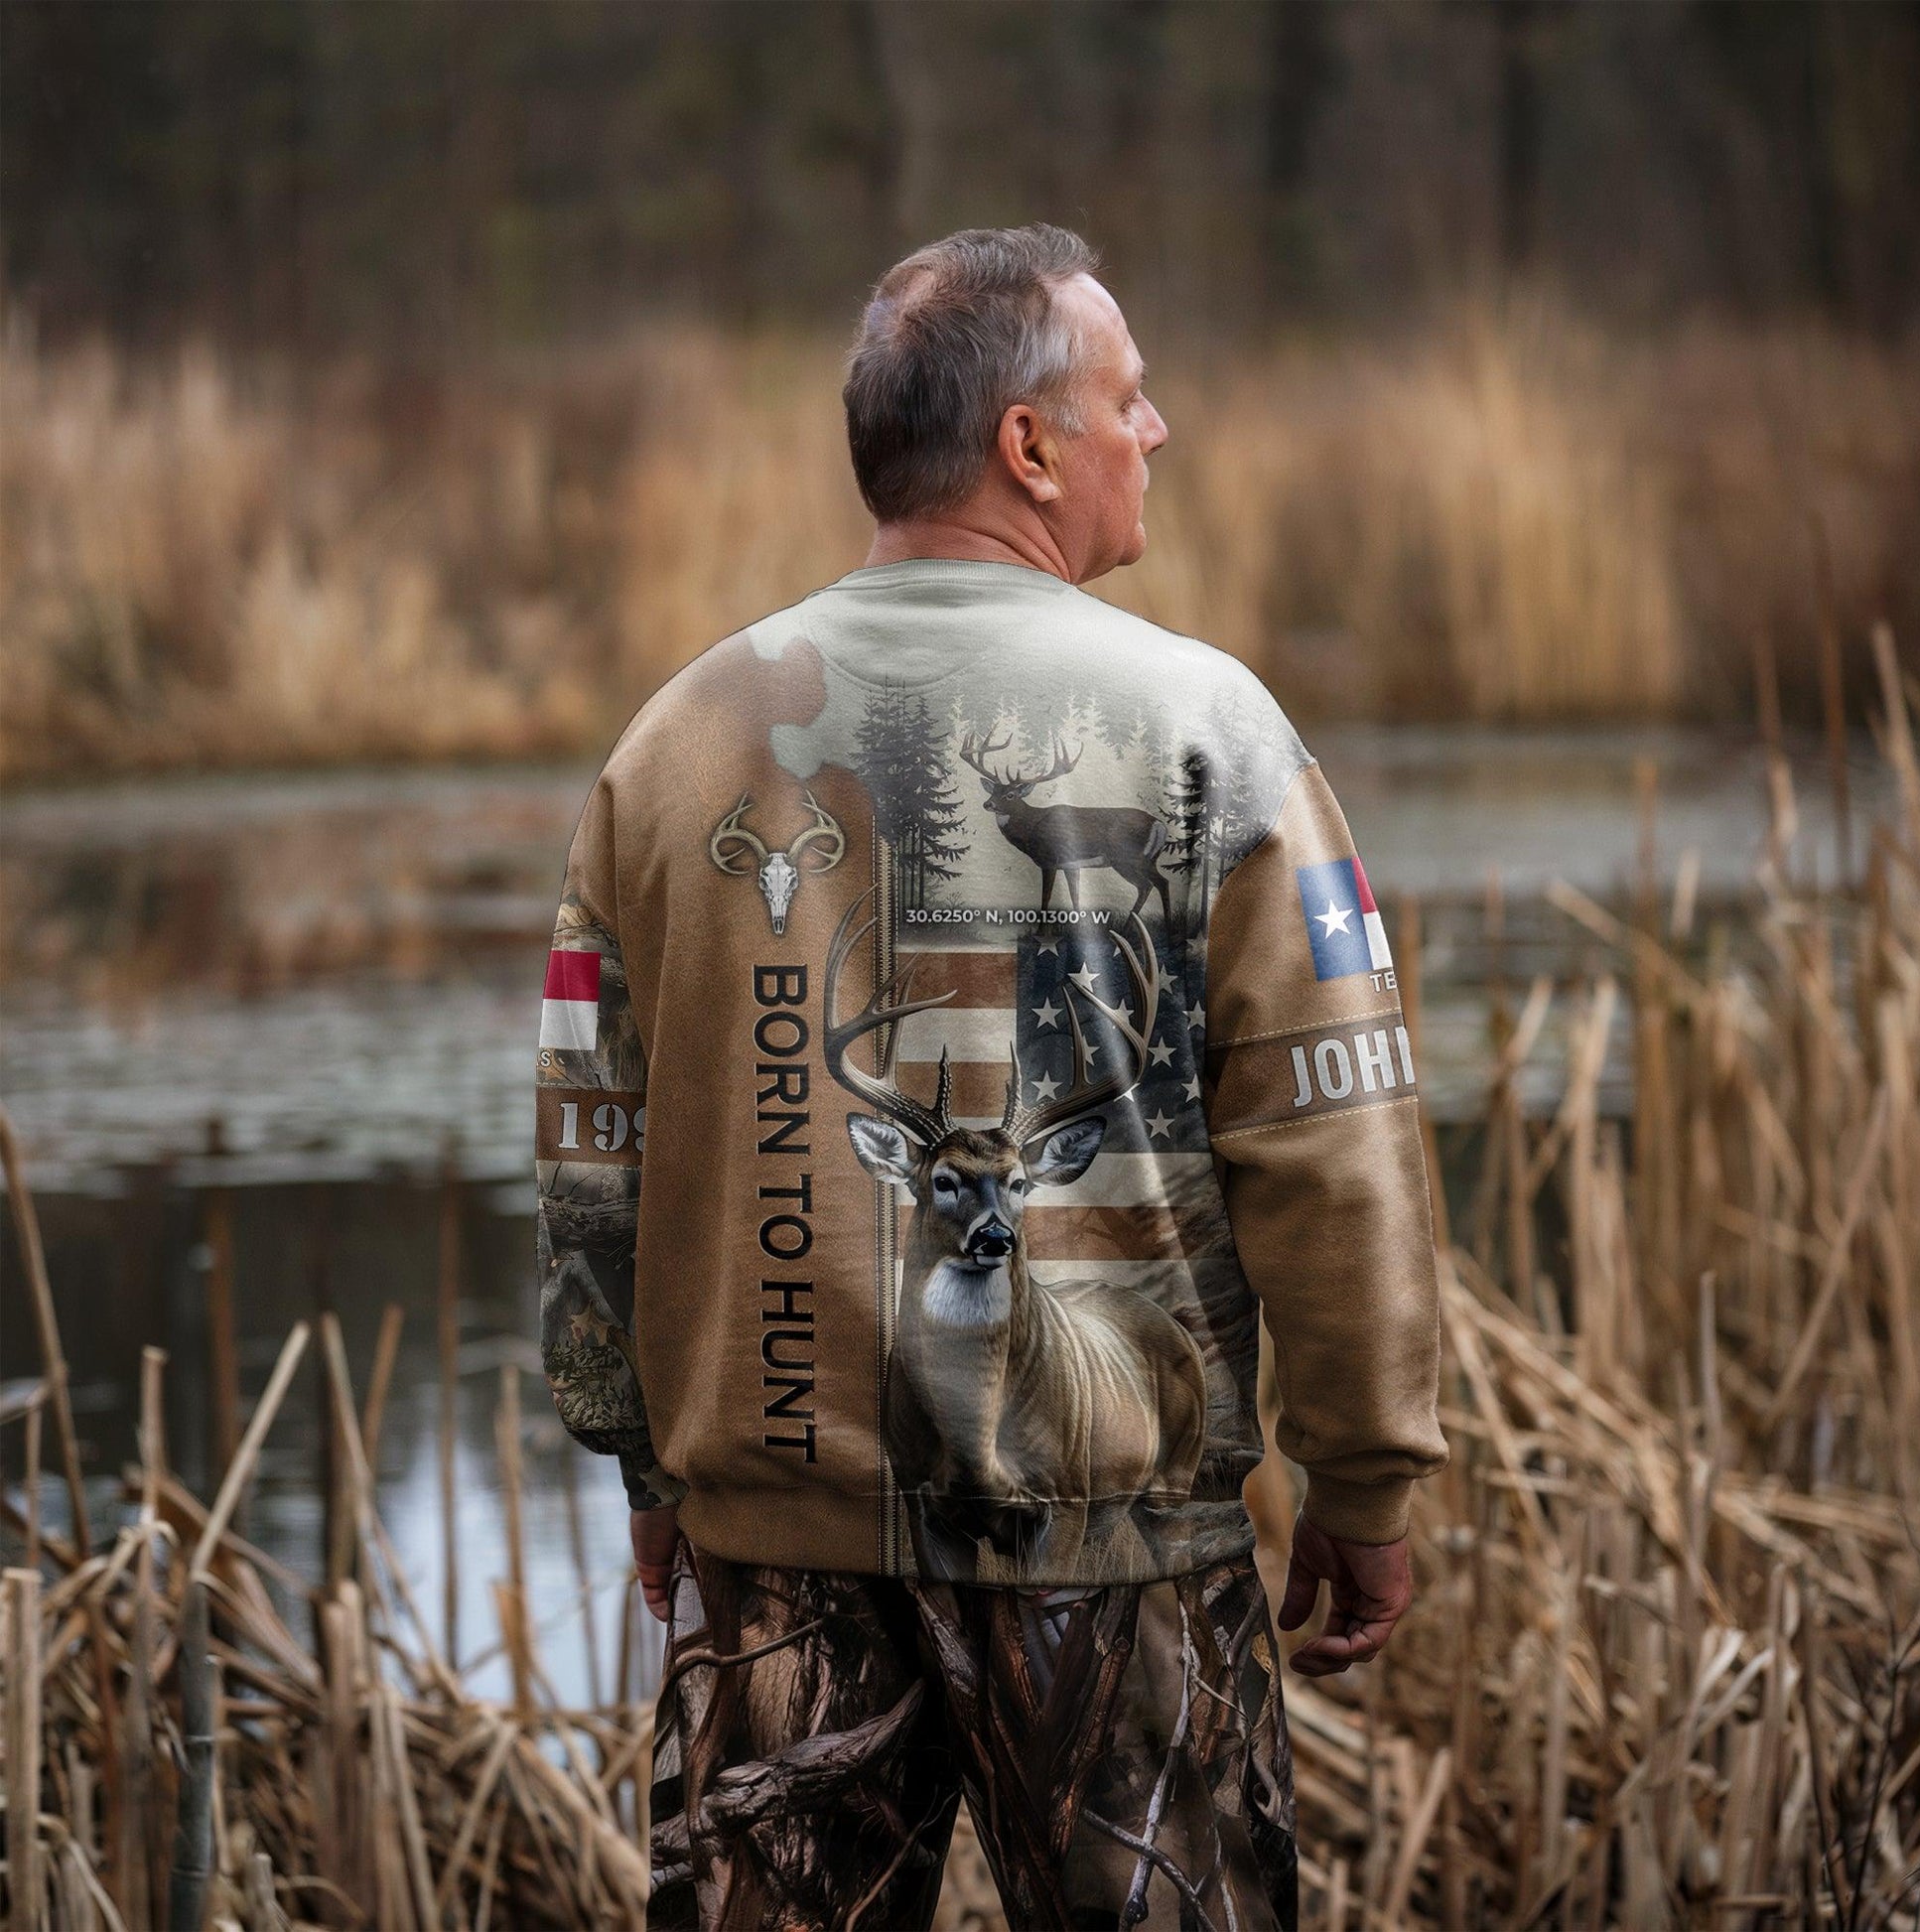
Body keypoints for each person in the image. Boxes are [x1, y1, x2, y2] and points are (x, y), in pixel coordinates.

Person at [535, 223, 1446, 1932]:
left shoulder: (668, 745)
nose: (1155, 432)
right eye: (1129, 398)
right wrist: (1364, 1472)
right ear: (1029, 447)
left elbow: (594, 1135)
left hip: (773, 1560)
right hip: (1115, 1549)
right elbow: (1332, 1128)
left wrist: (652, 1462)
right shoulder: (1210, 729)